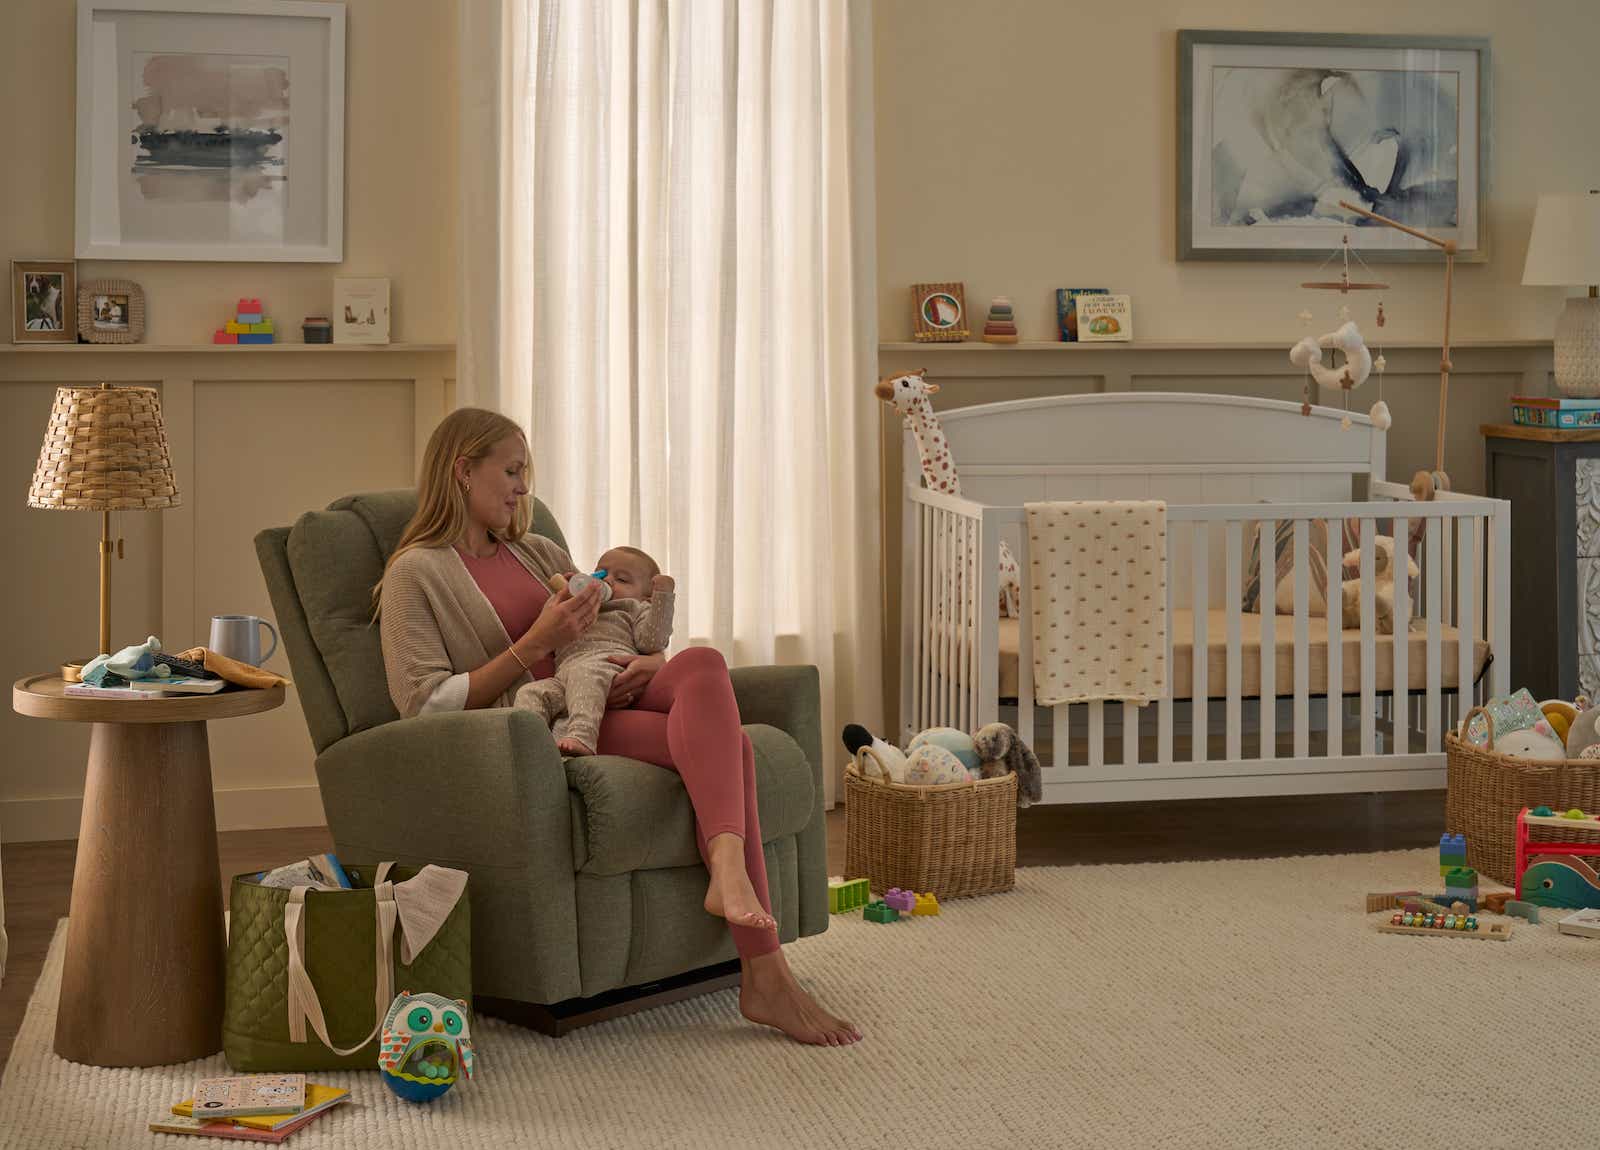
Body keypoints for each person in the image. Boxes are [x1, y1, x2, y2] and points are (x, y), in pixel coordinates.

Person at [373, 407, 860, 1046]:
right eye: (512, 471)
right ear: (464, 470)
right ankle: (766, 973)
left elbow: (612, 622)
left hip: (608, 696)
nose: (523, 488)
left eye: (525, 473)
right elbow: (424, 705)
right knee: (734, 750)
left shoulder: (537, 551)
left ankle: (732, 881)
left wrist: (649, 660)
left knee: (701, 663)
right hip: (539, 725)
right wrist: (535, 642)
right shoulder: (415, 572)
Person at [517, 545, 675, 758]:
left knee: (585, 674)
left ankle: (582, 736)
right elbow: (548, 631)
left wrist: (663, 598)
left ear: (646, 598)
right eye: (601, 573)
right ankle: (533, 750)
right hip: (565, 678)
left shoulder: (633, 608)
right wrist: (564, 595)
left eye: (622, 579)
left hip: (606, 668)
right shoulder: (577, 607)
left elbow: (653, 642)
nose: (607, 580)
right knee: (530, 692)